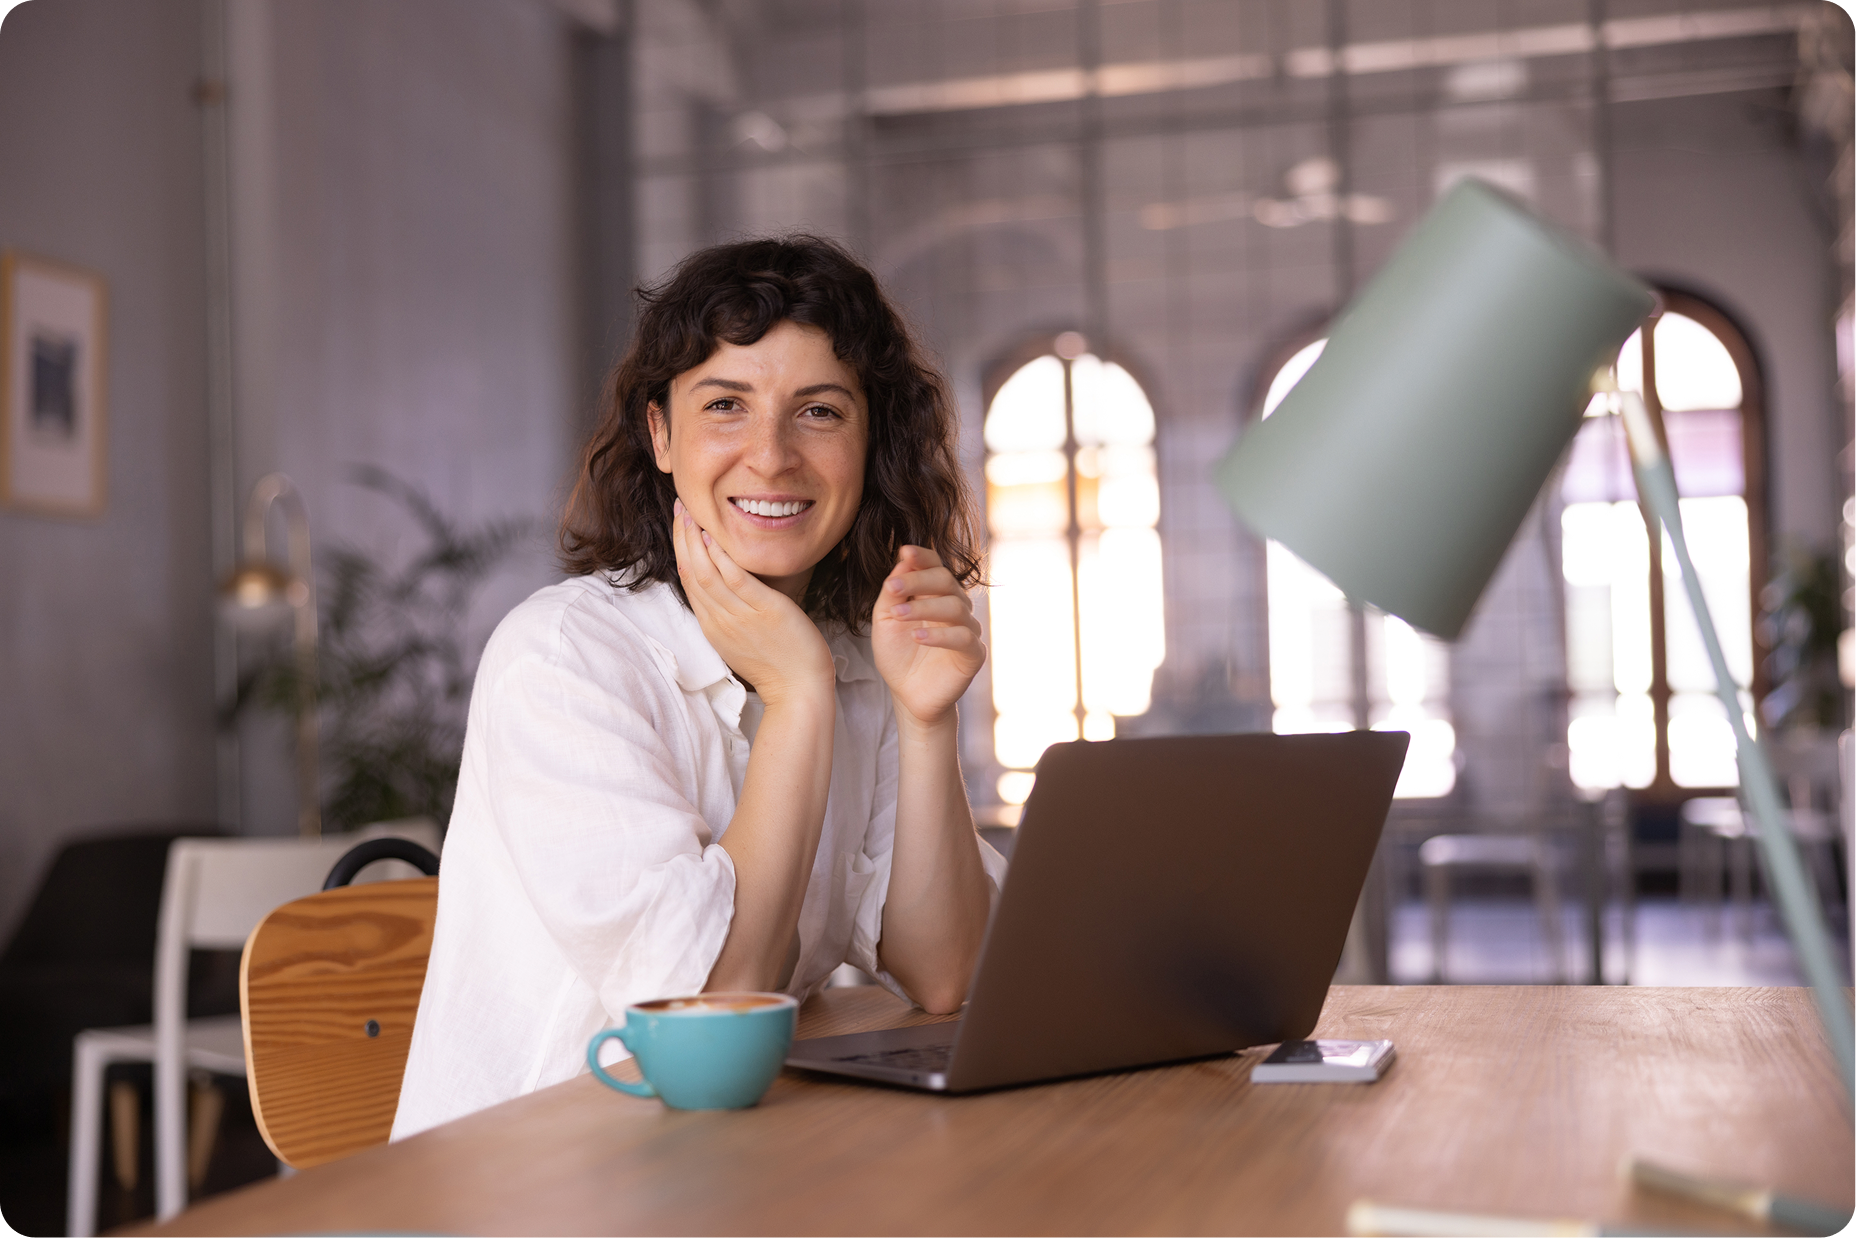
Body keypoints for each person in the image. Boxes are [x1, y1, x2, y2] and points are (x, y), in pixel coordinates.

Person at [392, 236, 1007, 1137]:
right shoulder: (562, 659)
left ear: (869, 440)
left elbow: (947, 972)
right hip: (536, 1176)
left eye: (821, 412)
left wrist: (925, 719)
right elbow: (709, 1012)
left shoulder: (859, 652)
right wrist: (798, 698)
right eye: (726, 405)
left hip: (731, 1158)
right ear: (661, 435)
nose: (772, 456)